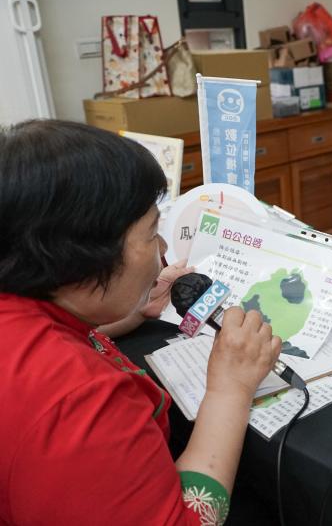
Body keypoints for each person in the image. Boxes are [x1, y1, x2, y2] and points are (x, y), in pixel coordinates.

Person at [0, 120, 283, 524]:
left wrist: (121, 313)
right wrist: (230, 390)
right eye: (152, 234)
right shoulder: (79, 401)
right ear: (83, 254)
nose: (163, 248)